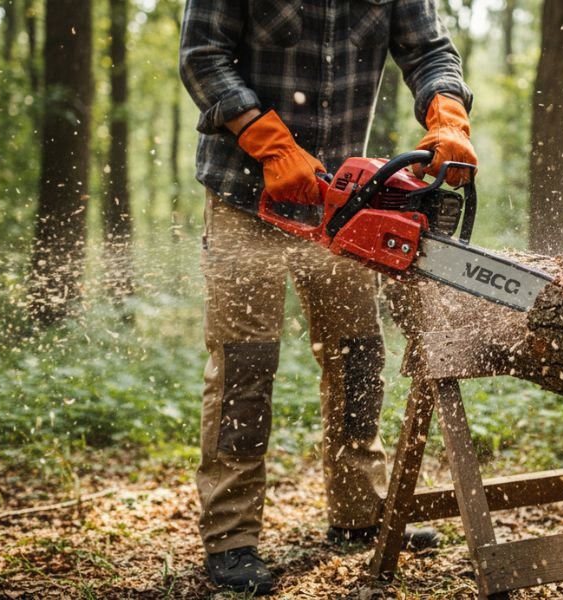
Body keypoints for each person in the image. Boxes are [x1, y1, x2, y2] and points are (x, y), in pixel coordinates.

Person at [179, 0, 476, 594]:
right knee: (245, 364)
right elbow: (202, 57)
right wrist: (267, 140)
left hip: (345, 197)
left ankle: (358, 511)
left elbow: (429, 51)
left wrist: (447, 113)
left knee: (358, 356)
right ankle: (232, 537)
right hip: (246, 191)